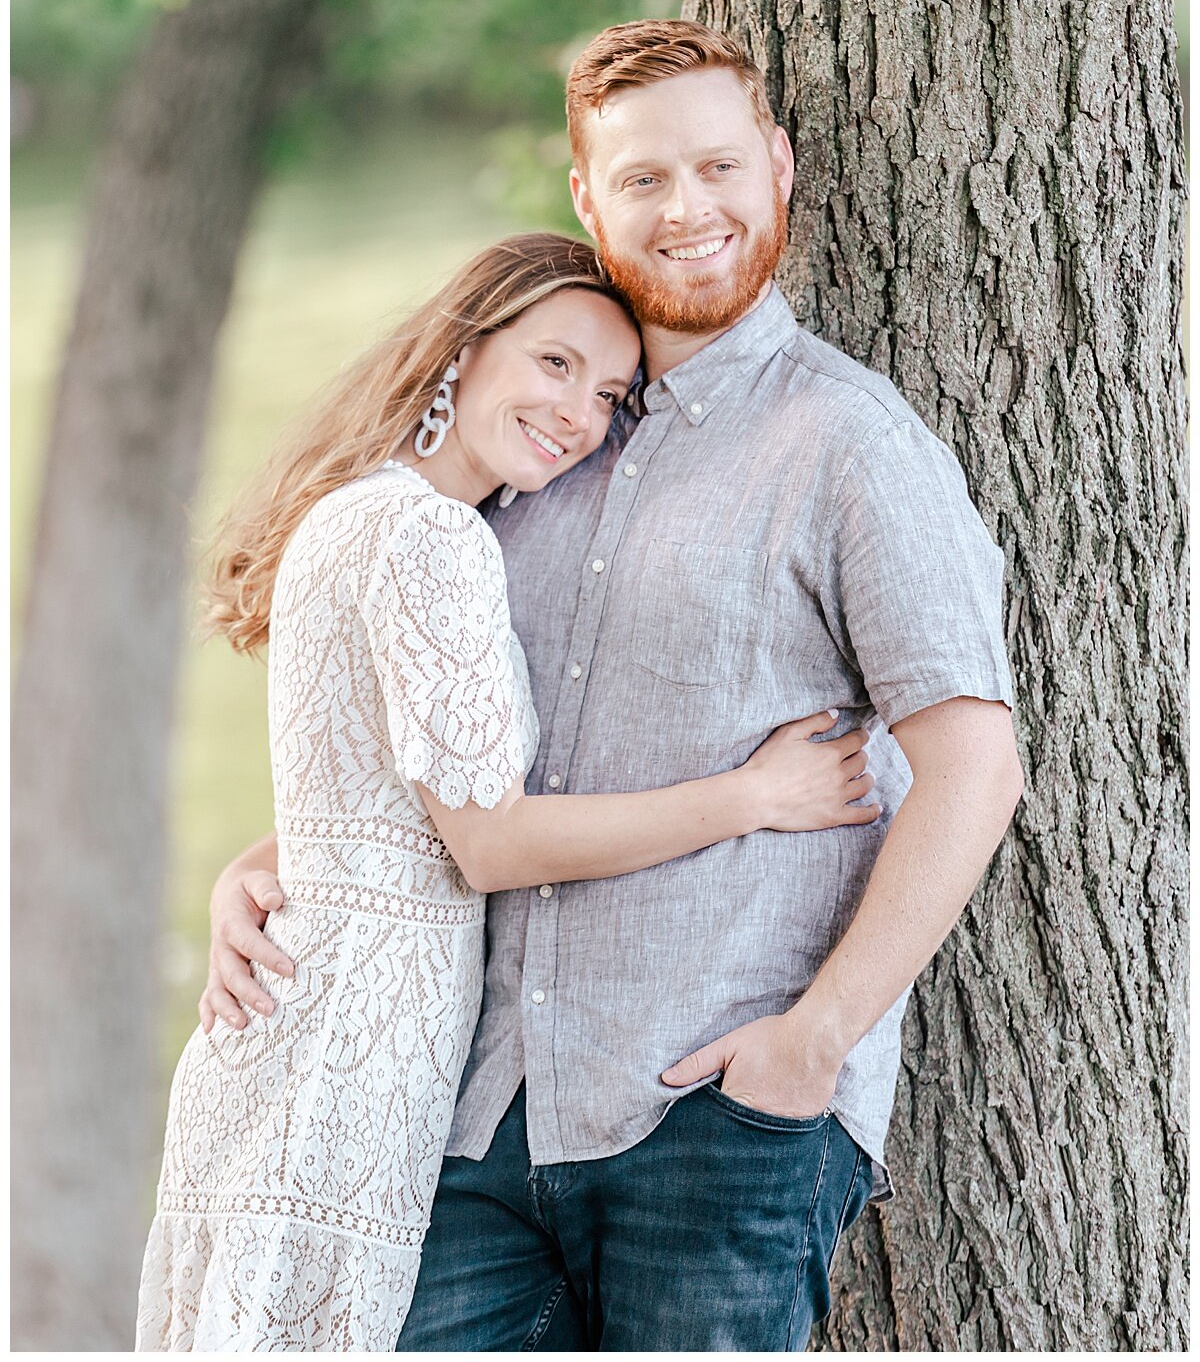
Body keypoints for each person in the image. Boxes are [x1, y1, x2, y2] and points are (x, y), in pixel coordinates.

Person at [205, 21, 1024, 1352]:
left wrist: (815, 1041)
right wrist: (276, 856)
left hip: (711, 1114)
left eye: (717, 168)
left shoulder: (850, 443)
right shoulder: (546, 432)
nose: (686, 208)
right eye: (643, 178)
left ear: (777, 167)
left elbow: (976, 765)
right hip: (481, 1115)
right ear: (588, 195)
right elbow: (466, 756)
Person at [135, 231, 881, 1352]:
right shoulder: (430, 536)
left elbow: (366, 803)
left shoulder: (371, 511)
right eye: (554, 364)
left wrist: (256, 864)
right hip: (356, 1041)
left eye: (611, 392)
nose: (580, 411)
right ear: (463, 351)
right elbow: (486, 844)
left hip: (324, 1013)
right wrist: (753, 793)